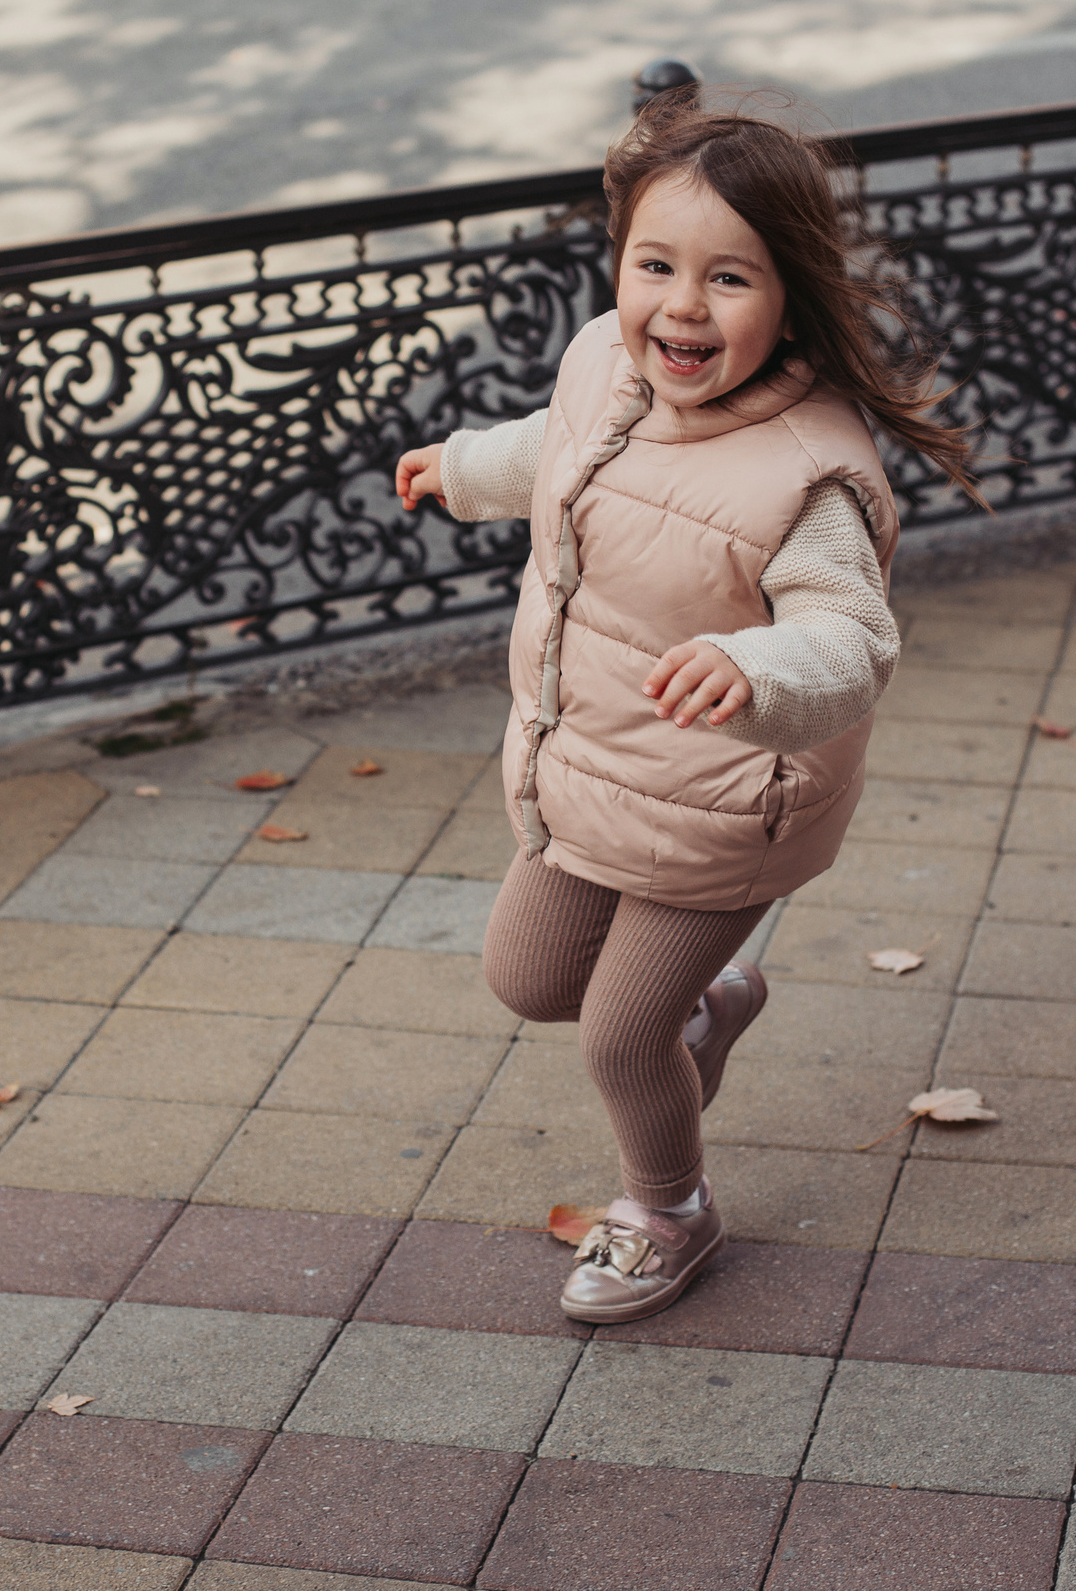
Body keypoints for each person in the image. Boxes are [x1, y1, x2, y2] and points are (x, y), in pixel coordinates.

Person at [395, 90, 977, 1324]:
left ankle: (665, 1209)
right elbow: (564, 445)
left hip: (727, 804)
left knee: (614, 1039)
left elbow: (849, 640)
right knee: (528, 981)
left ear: (790, 295)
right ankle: (709, 1008)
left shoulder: (805, 473)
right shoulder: (606, 357)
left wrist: (759, 670)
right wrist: (462, 471)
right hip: (593, 766)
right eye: (655, 266)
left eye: (728, 279)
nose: (680, 306)